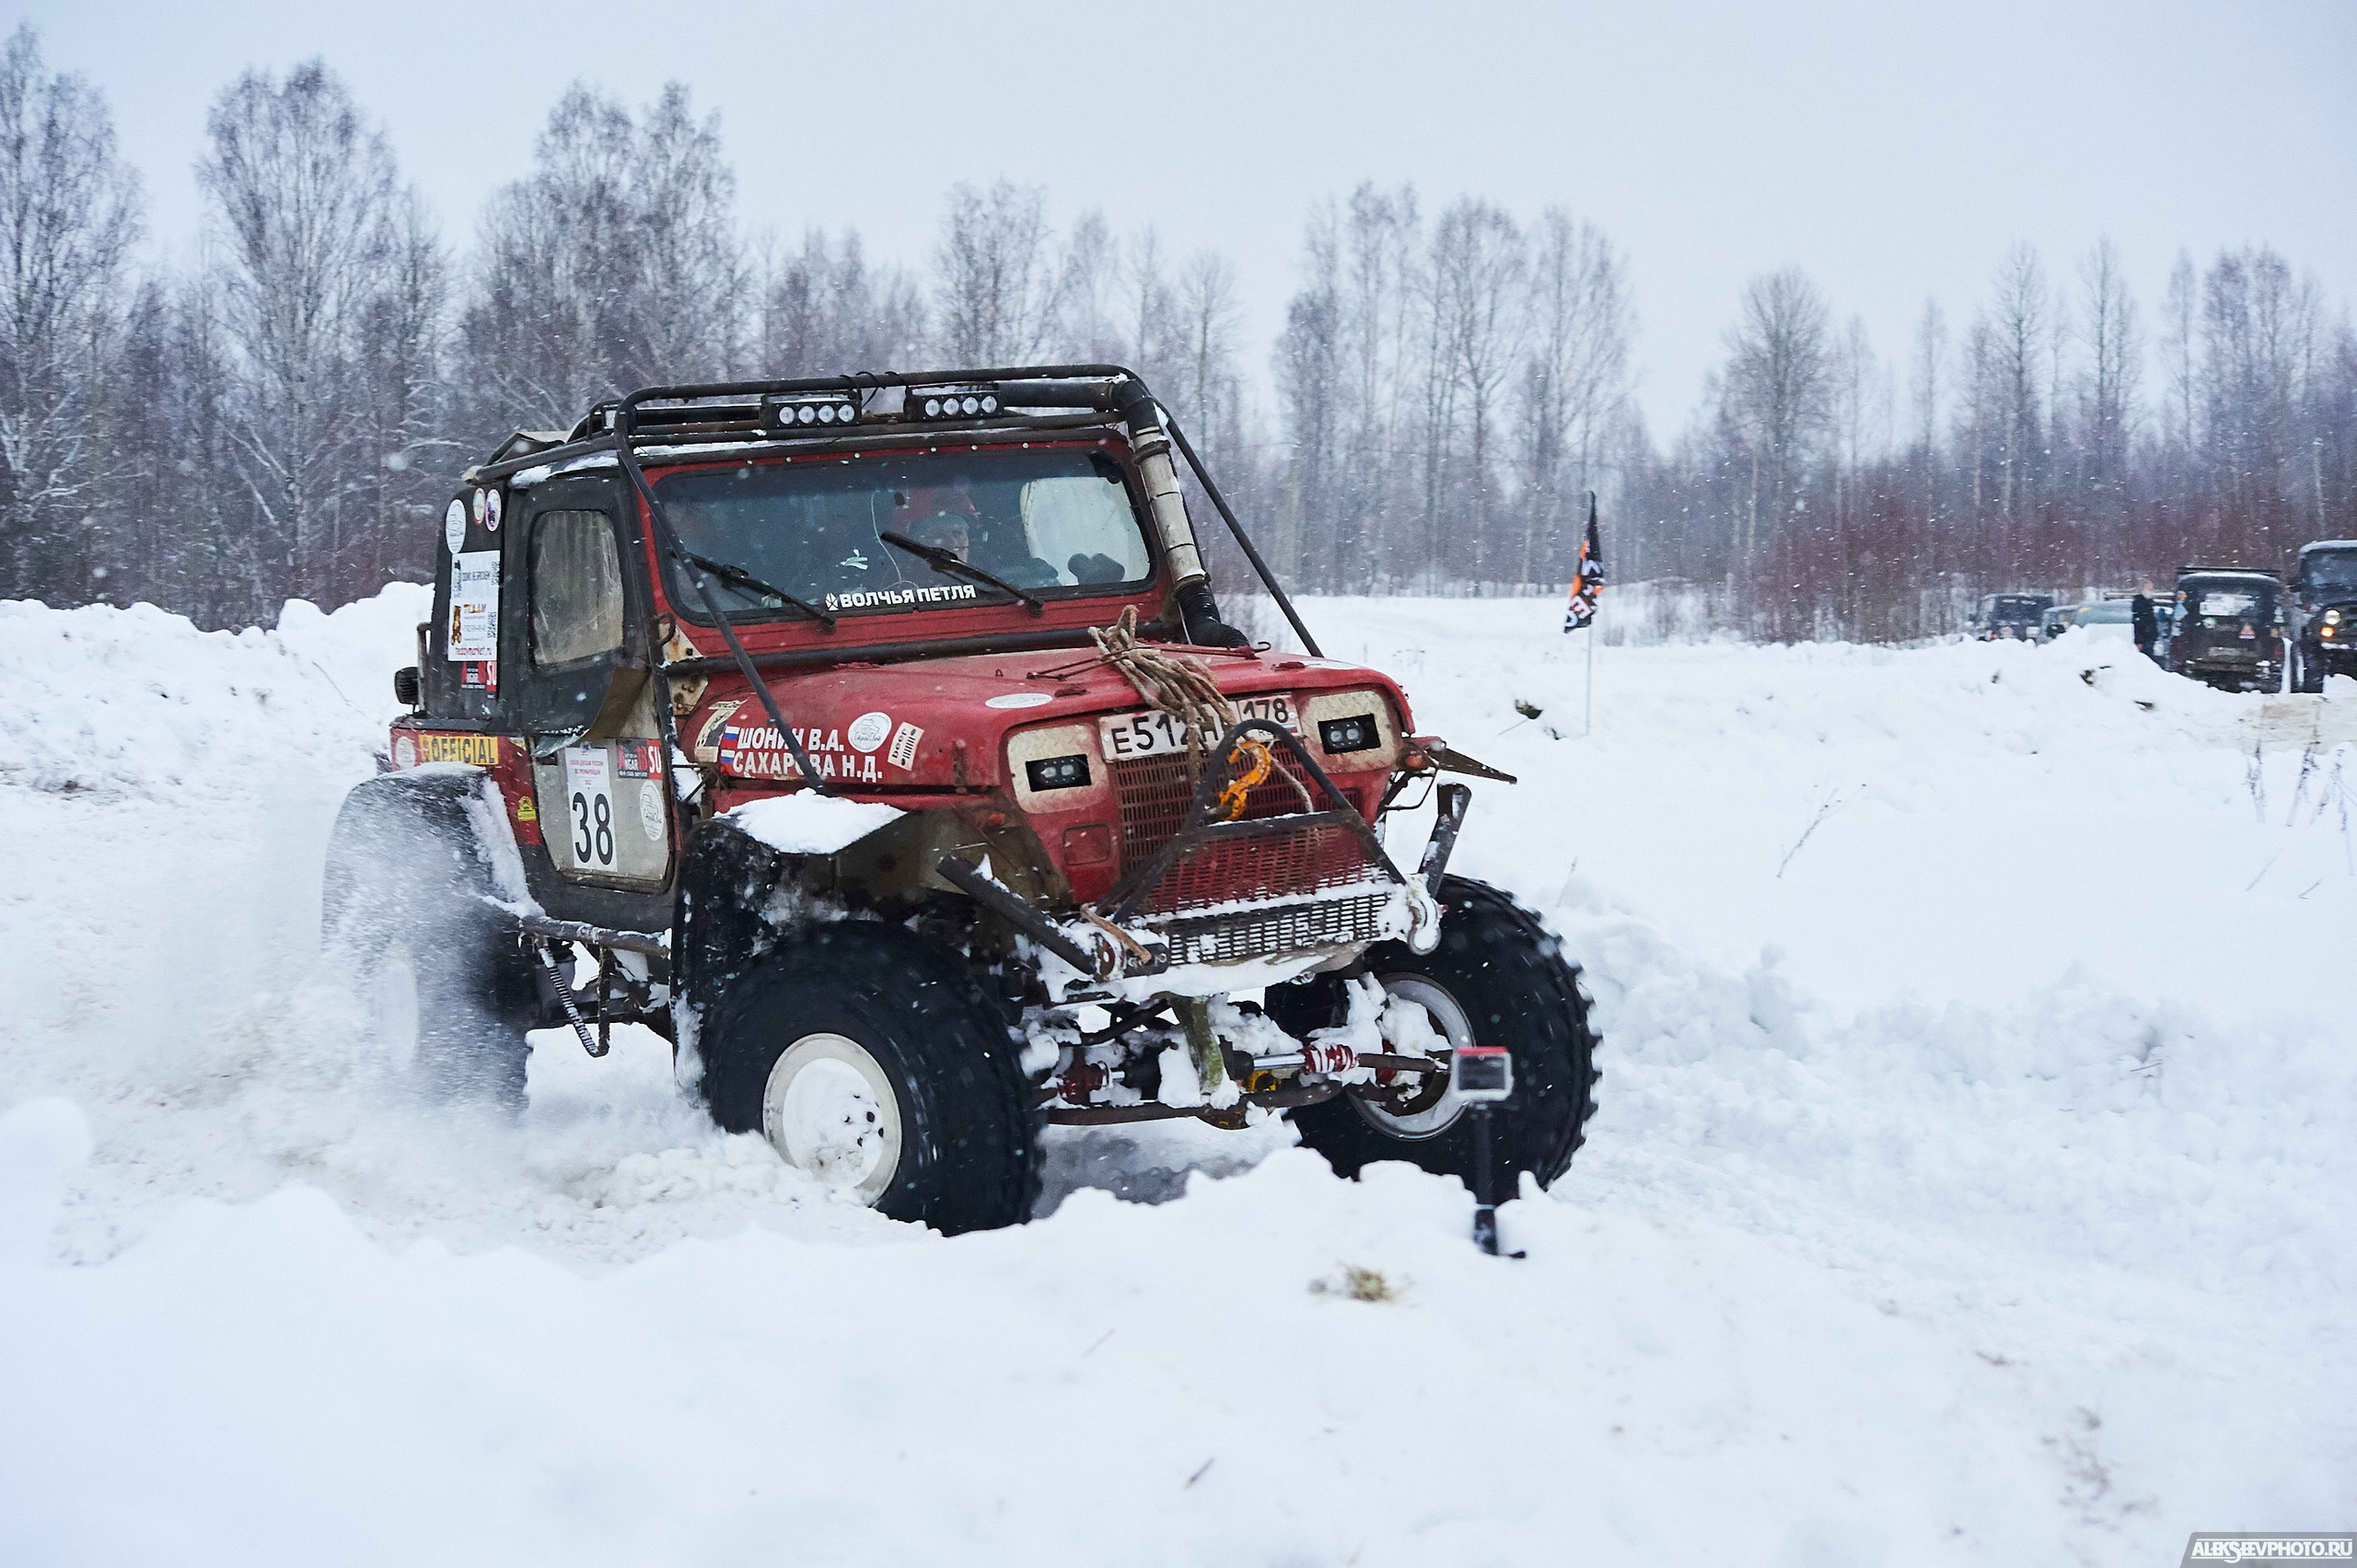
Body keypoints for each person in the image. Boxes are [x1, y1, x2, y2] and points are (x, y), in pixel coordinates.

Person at [2131, 586, 2159, 663]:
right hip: (2145, 638)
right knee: (2146, 659)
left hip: (2149, 637)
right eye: (2149, 589)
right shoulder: (2140, 605)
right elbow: (2138, 624)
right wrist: (2139, 641)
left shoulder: (2147, 603)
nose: (2151, 591)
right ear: (2142, 590)